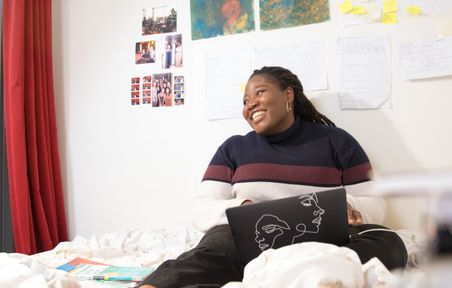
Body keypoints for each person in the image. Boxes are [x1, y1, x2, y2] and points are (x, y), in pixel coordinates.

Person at [139, 66, 407, 288]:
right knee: (211, 251)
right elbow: (200, 210)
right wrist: (241, 207)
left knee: (388, 242)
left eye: (260, 92)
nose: (250, 104)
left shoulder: (336, 141)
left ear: (288, 95)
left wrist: (348, 206)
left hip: (322, 237)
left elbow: (376, 204)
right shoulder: (234, 148)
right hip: (252, 238)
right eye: (245, 101)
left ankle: (297, 275)